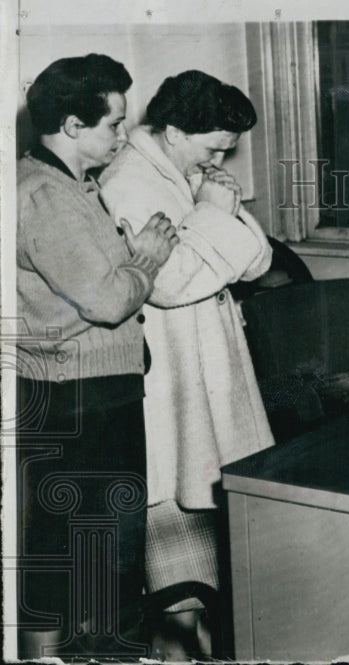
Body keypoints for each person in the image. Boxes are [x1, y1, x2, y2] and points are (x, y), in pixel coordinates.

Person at [99, 70, 274, 655]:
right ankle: (180, 642)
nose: (222, 157)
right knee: (176, 505)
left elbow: (255, 264)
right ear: (173, 130)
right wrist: (211, 209)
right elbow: (169, 283)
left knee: (214, 504)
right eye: (215, 146)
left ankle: (206, 637)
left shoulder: (181, 166)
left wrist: (222, 205)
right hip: (173, 369)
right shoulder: (128, 179)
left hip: (212, 358)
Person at [16, 53, 179, 657]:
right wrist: (147, 259)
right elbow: (110, 301)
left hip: (97, 390)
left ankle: (97, 650)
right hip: (74, 399)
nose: (122, 136)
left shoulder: (74, 186)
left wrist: (130, 257)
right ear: (73, 125)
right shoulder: (45, 194)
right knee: (77, 543)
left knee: (104, 542)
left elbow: (99, 281)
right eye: (114, 124)